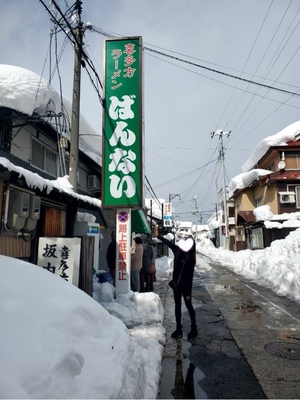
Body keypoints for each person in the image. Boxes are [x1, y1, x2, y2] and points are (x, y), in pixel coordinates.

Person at [153, 227, 198, 339]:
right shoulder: (177, 250)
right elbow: (168, 243)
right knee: (177, 307)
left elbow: (189, 276)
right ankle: (179, 329)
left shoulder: (191, 257)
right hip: (176, 285)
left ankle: (194, 328)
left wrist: (188, 292)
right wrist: (158, 236)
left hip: (186, 287)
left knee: (189, 306)